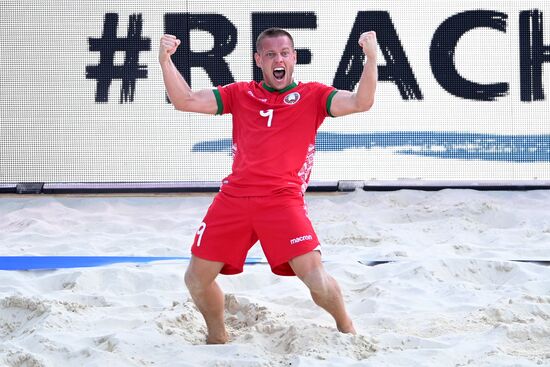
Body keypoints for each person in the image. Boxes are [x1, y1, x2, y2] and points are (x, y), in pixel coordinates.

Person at [159, 27, 378, 344]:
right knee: (196, 279)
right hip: (234, 198)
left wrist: (370, 59)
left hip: (282, 200)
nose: (279, 59)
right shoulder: (240, 93)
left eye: (285, 53)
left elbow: (361, 102)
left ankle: (346, 327)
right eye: (271, 54)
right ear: (258, 59)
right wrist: (165, 59)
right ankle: (217, 337)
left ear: (294, 58)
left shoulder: (313, 95)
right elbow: (185, 100)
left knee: (316, 278)